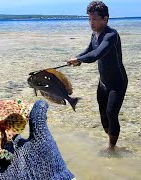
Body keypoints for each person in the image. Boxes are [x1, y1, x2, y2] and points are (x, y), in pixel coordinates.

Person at [67, 1, 128, 150]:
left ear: (105, 18)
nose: (91, 23)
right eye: (89, 19)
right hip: (103, 83)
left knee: (111, 113)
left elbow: (96, 54)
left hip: (117, 83)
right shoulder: (94, 35)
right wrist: (77, 58)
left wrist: (80, 59)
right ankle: (111, 140)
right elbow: (89, 50)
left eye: (94, 19)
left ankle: (112, 148)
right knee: (103, 116)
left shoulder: (111, 35)